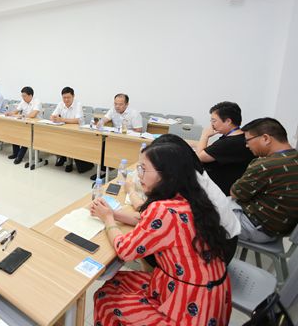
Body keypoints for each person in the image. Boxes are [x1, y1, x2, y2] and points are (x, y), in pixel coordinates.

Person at [91, 143, 231, 325]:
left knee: (105, 297)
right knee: (118, 279)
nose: (139, 176)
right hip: (210, 297)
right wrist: (112, 213)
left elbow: (125, 250)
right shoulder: (191, 196)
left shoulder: (162, 209)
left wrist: (108, 219)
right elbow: (148, 221)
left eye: (143, 169)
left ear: (166, 174)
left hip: (188, 307)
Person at [124, 134, 240, 264]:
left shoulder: (182, 185)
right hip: (219, 241)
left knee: (148, 246)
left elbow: (147, 215)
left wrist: (131, 191)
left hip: (217, 251)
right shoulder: (191, 174)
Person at [230, 117, 298, 243]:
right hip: (278, 229)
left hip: (256, 228)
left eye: (248, 140)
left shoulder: (266, 165)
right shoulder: (293, 157)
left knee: (199, 213)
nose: (247, 145)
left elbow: (235, 193)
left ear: (265, 138)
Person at [196, 101, 255, 195]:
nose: (212, 125)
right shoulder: (239, 137)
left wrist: (204, 135)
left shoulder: (230, 142)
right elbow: (212, 150)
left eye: (214, 121)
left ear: (228, 121)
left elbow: (199, 157)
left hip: (219, 191)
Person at [50, 87, 91, 173]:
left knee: (68, 139)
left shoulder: (78, 104)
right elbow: (52, 116)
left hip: (78, 132)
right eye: (64, 97)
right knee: (55, 137)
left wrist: (62, 119)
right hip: (65, 129)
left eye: (68, 97)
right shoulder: (60, 104)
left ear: (73, 96)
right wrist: (53, 118)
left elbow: (77, 120)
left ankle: (69, 162)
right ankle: (63, 157)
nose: (66, 100)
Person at [5, 86, 41, 164]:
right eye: (22, 96)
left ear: (30, 95)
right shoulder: (23, 101)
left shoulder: (37, 102)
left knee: (26, 136)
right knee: (14, 132)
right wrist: (10, 113)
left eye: (24, 96)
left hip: (36, 126)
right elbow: (16, 111)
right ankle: (15, 153)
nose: (23, 98)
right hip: (25, 124)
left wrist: (21, 116)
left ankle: (19, 156)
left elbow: (33, 115)